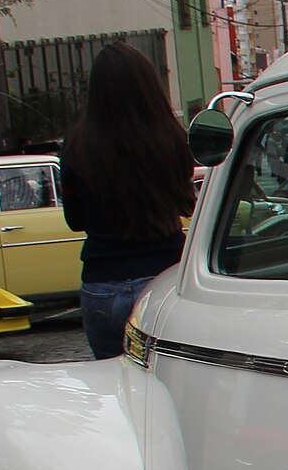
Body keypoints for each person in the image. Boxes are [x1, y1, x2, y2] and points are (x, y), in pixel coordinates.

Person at [58, 42, 192, 359]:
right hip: (163, 275)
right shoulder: (171, 138)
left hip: (103, 280)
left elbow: (75, 220)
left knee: (112, 384)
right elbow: (186, 204)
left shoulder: (76, 144)